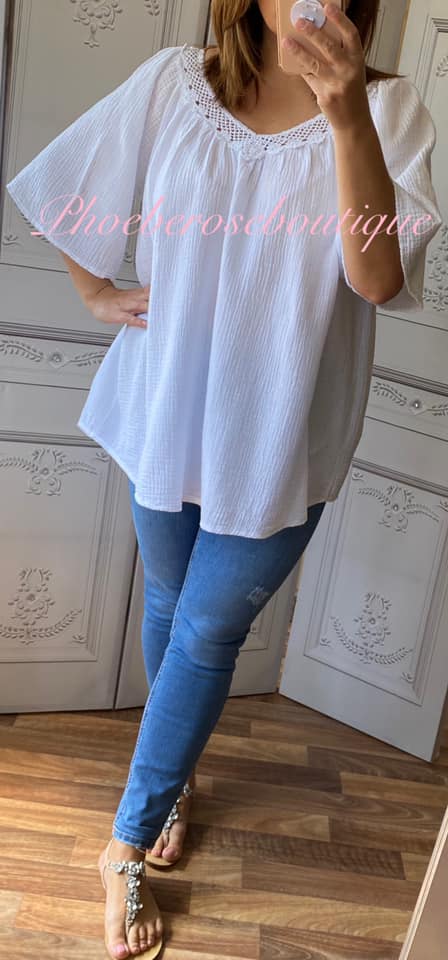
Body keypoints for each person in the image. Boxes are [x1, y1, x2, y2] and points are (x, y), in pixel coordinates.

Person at [6, 0, 442, 957]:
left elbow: (377, 280)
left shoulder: (389, 108)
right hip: (169, 408)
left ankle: (124, 843)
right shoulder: (177, 83)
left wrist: (344, 115)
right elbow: (70, 184)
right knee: (170, 603)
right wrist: (96, 292)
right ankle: (173, 782)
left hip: (286, 432)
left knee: (207, 631)